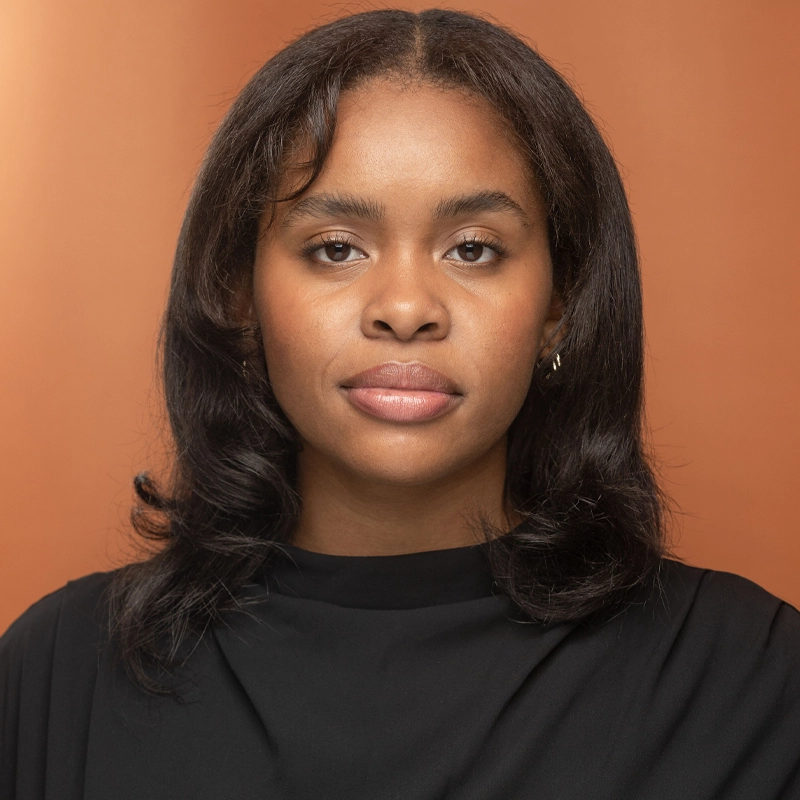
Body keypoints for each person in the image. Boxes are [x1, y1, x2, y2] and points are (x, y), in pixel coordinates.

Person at [1, 8, 798, 799]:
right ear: (238, 294)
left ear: (562, 303)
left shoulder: (753, 679)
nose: (407, 307)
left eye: (473, 248)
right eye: (336, 248)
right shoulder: (56, 675)